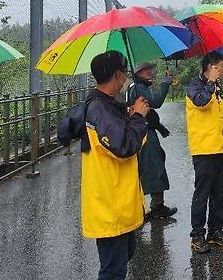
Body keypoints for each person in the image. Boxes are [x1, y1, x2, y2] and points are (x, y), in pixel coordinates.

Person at [82, 51, 150, 280]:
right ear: (118, 75)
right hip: (111, 204)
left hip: (119, 200)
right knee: (113, 270)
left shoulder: (108, 105)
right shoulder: (100, 109)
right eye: (126, 74)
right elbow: (123, 146)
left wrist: (131, 114)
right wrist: (138, 117)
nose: (127, 79)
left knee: (122, 258)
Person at [186, 51, 223, 254]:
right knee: (202, 194)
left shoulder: (216, 87)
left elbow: (222, 119)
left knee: (218, 193)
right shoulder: (195, 86)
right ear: (211, 66)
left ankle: (215, 232)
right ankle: (197, 235)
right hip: (204, 150)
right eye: (221, 66)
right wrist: (210, 83)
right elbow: (201, 102)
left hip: (220, 150)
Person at [127, 61, 177, 219]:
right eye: (146, 70)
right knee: (154, 167)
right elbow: (156, 102)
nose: (150, 73)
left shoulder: (135, 87)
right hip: (145, 133)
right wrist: (165, 84)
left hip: (142, 131)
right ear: (139, 73)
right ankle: (156, 207)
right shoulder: (139, 88)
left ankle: (147, 207)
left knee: (150, 166)